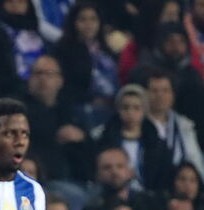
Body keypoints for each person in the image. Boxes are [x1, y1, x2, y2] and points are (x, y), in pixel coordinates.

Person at [22, 54, 93, 182]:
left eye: (49, 74)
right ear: (29, 79)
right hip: (43, 177)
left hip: (75, 178)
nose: (43, 79)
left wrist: (81, 137)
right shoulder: (20, 110)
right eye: (38, 73)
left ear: (60, 80)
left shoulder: (70, 112)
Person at [95, 84, 174, 193]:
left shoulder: (157, 145)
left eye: (136, 108)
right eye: (125, 108)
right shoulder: (105, 140)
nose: (130, 113)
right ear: (118, 110)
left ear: (144, 111)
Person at [54, 1, 118, 107]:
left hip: (112, 105)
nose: (89, 24)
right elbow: (66, 87)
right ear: (73, 22)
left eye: (93, 19)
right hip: (82, 107)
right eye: (83, 19)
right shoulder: (64, 50)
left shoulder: (106, 49)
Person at [144, 71, 204, 176]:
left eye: (165, 91)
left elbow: (195, 160)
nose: (160, 95)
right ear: (146, 94)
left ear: (172, 95)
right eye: (154, 91)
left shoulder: (185, 125)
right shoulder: (136, 123)